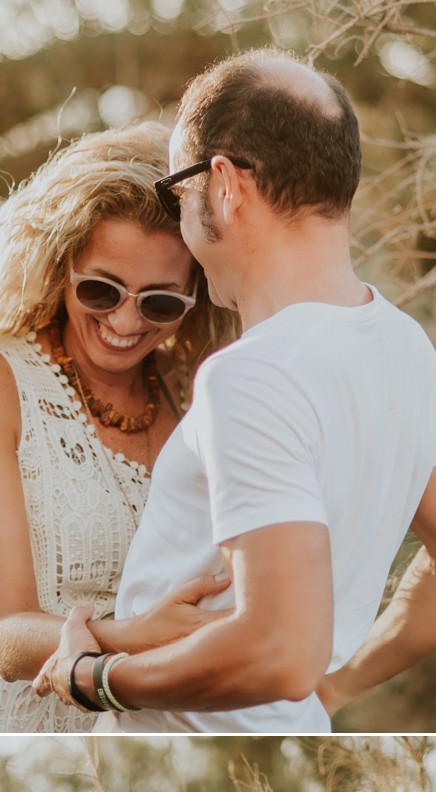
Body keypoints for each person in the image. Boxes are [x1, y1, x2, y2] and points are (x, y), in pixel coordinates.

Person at [33, 48, 436, 732]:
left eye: (176, 193)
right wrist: (334, 690)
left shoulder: (252, 375)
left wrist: (97, 679)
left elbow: (280, 651)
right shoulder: (407, 347)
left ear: (224, 185)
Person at [0, 121, 236, 732]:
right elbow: (5, 634)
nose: (126, 323)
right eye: (102, 291)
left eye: (160, 302)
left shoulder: (198, 394)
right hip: (37, 726)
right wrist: (132, 637)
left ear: (196, 298)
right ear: (62, 266)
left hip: (166, 729)